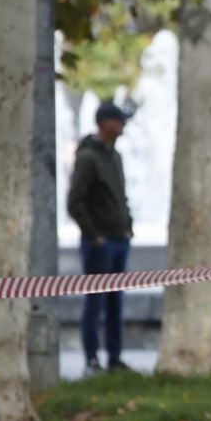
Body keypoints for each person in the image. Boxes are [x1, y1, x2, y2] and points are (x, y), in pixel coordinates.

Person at [67, 101, 134, 375]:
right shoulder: (88, 158)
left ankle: (115, 358)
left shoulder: (114, 156)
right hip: (100, 244)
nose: (123, 125)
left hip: (120, 240)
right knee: (95, 301)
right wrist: (94, 237)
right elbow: (74, 202)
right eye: (118, 120)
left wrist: (127, 225)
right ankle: (92, 360)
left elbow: (120, 195)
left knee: (115, 302)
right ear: (105, 123)